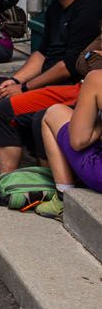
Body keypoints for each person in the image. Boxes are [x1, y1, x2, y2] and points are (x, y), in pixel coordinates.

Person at [0, 0, 101, 174]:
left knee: (5, 109)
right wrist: (15, 80)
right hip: (47, 82)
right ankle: (34, 154)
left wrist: (25, 87)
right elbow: (42, 53)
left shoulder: (89, 10)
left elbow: (68, 66)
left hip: (69, 86)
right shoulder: (56, 6)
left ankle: (11, 178)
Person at [38, 69, 102, 218]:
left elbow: (78, 141)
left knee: (54, 113)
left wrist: (98, 124)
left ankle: (62, 196)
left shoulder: (96, 78)